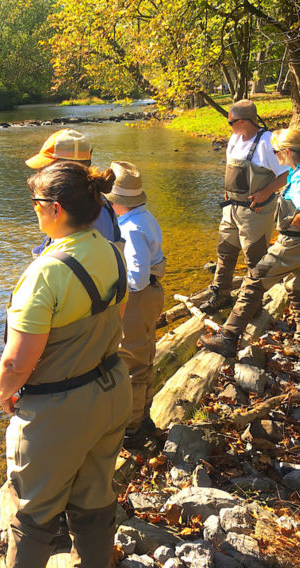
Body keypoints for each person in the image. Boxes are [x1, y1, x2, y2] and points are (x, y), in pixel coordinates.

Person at [0, 161, 131, 568]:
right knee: (95, 496)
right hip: (111, 391)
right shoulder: (110, 249)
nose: (32, 209)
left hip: (59, 409)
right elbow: (115, 322)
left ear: (55, 208)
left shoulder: (45, 273)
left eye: (35, 202)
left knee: (33, 515)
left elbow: (18, 361)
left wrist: (5, 391)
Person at [200, 129, 300, 369]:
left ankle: (228, 339)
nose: (275, 155)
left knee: (253, 283)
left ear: (288, 152)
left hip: (293, 244)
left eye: (276, 151)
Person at [199, 100, 288, 314]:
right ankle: (221, 295)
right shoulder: (235, 139)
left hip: (255, 211)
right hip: (230, 208)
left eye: (230, 122)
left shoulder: (268, 142)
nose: (229, 126)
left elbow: (286, 173)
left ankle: (253, 303)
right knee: (225, 252)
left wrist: (265, 192)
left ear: (242, 121)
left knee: (254, 258)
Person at [104, 162, 166, 448]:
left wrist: (114, 292)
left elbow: (137, 278)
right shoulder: (143, 217)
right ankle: (143, 416)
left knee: (131, 362)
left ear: (118, 203)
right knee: (145, 353)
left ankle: (133, 429)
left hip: (138, 297)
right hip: (150, 294)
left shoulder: (131, 229)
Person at [25, 129, 123, 255]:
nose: (40, 172)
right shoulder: (96, 201)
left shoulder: (78, 213)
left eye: (44, 168)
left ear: (63, 171)